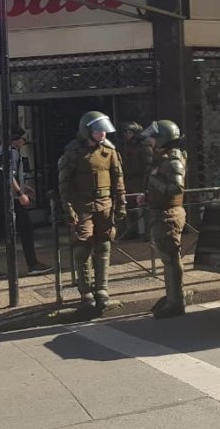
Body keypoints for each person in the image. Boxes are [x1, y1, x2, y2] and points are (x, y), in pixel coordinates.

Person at [58, 111, 126, 310]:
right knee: (82, 246)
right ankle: (85, 291)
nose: (102, 134)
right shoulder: (73, 152)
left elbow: (118, 179)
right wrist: (68, 207)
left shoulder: (110, 151)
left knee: (104, 245)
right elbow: (64, 183)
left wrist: (121, 203)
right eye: (98, 131)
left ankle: (102, 288)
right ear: (87, 131)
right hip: (83, 205)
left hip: (105, 205)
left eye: (104, 131)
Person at [0, 128, 52, 279]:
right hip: (10, 199)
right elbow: (8, 175)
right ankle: (32, 264)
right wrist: (20, 194)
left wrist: (23, 187)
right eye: (22, 138)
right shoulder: (11, 153)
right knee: (25, 229)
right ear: (16, 140)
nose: (24, 141)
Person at [141, 120, 188, 319]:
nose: (151, 141)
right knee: (168, 258)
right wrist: (148, 196)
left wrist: (154, 181)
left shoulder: (173, 159)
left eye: (154, 137)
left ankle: (176, 302)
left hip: (169, 214)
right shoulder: (163, 158)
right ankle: (172, 296)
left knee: (171, 259)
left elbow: (176, 188)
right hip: (161, 213)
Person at [117, 122, 153, 240]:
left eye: (129, 132)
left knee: (143, 206)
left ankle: (147, 233)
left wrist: (145, 185)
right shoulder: (125, 146)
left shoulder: (144, 146)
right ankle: (131, 231)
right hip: (128, 180)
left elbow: (148, 166)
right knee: (129, 207)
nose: (126, 134)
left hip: (139, 180)